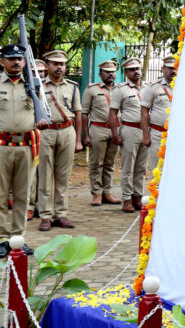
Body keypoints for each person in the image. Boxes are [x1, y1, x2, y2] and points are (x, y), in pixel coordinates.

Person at [0, 44, 41, 256]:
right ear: (2, 62)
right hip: (2, 147)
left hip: (26, 146)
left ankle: (17, 238)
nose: (16, 62)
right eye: (11, 58)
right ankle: (1, 238)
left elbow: (42, 113)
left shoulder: (34, 86)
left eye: (19, 58)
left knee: (23, 195)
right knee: (0, 194)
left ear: (24, 62)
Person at [36, 50, 83, 231]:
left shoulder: (73, 86)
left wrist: (78, 140)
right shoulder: (38, 86)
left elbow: (78, 113)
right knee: (45, 175)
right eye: (55, 64)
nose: (59, 67)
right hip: (46, 132)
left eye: (62, 64)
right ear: (47, 65)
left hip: (67, 130)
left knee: (63, 176)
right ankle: (46, 215)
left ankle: (61, 214)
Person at [109, 58, 148, 213]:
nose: (136, 72)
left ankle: (137, 196)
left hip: (145, 130)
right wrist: (115, 133)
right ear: (126, 73)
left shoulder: (147, 87)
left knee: (142, 167)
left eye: (138, 68)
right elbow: (113, 113)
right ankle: (126, 199)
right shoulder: (121, 89)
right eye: (132, 70)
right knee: (127, 167)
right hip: (129, 130)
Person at [82, 61, 122, 207]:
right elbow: (84, 113)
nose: (111, 74)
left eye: (113, 71)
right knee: (96, 163)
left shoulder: (120, 89)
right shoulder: (92, 90)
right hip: (98, 129)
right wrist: (86, 135)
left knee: (110, 163)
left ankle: (107, 192)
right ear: (100, 74)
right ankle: (96, 193)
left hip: (115, 130)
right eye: (107, 71)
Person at [141, 55, 175, 170]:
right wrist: (146, 135)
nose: (173, 71)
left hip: (176, 134)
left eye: (175, 68)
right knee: (157, 169)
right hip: (157, 134)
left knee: (174, 169)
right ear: (163, 69)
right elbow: (144, 111)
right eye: (170, 68)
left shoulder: (182, 86)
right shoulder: (153, 87)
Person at [27, 59, 47, 220]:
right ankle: (29, 206)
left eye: (40, 72)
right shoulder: (26, 88)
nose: (38, 75)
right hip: (30, 135)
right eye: (34, 72)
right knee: (31, 173)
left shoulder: (47, 88)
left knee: (45, 174)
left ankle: (42, 206)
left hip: (46, 133)